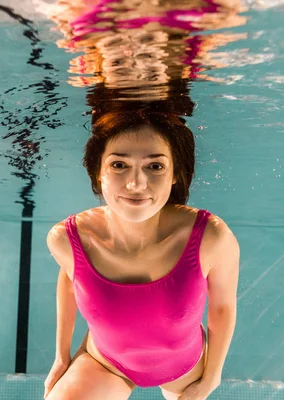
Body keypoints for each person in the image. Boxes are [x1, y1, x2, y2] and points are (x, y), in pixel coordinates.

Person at [43, 109, 239, 400]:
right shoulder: (67, 239)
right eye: (119, 164)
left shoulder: (210, 237)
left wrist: (211, 378)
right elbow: (71, 277)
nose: (136, 184)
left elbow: (222, 309)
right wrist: (61, 355)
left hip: (185, 369)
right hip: (105, 362)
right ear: (98, 171)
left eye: (155, 167)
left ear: (175, 174)